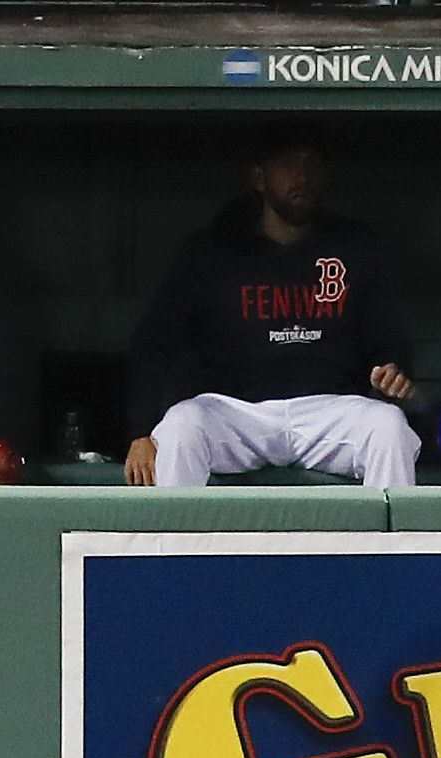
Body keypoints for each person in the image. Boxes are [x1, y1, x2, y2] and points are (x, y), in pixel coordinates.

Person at [124, 123, 419, 488]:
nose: (302, 176)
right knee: (182, 426)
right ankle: (177, 546)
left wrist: (393, 369)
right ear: (259, 177)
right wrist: (140, 433)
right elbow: (153, 343)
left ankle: (388, 547)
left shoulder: (356, 246)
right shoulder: (213, 251)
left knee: (389, 428)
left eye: (311, 164)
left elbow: (389, 340)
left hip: (328, 410)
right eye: (287, 164)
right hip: (236, 413)